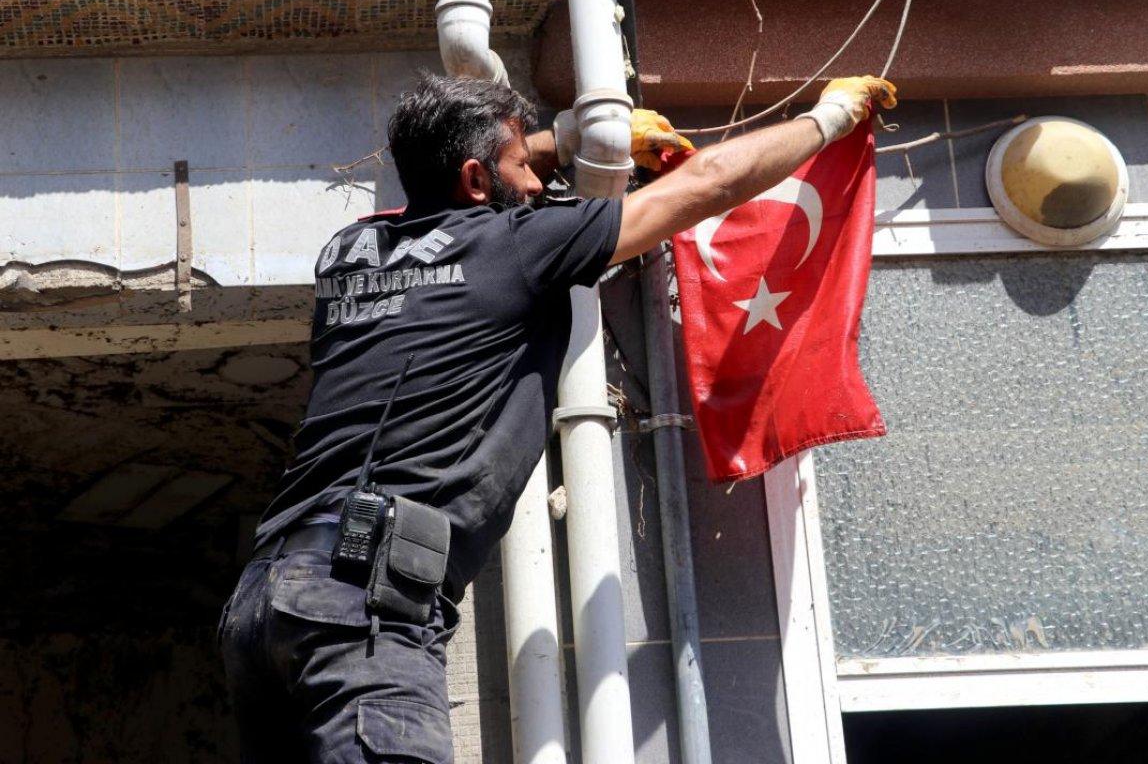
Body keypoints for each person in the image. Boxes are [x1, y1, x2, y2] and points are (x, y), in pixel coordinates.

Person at [218, 72, 897, 763]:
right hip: (364, 610)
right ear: (478, 179)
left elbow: (462, 175)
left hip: (262, 607)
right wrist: (827, 120)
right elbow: (711, 184)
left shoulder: (347, 253)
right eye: (524, 166)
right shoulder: (514, 246)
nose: (541, 182)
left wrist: (567, 139)